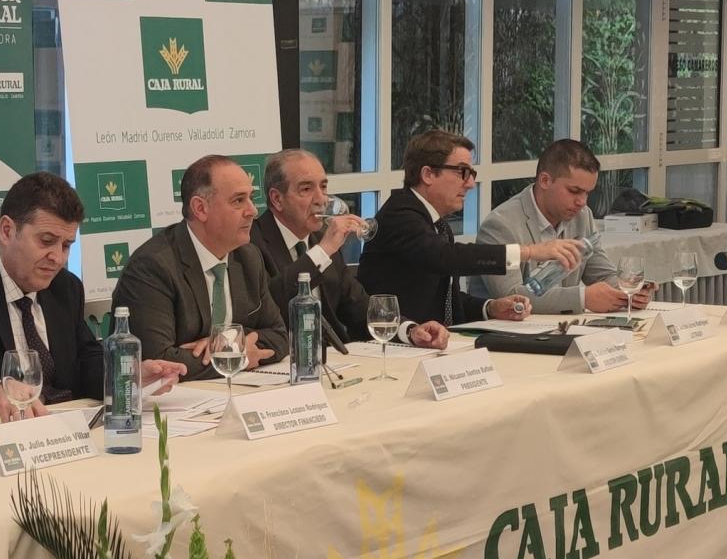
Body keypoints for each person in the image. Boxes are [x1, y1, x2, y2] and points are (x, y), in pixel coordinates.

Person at [0, 172, 185, 424]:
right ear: (7, 230)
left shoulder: (65, 287)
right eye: (46, 241)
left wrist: (126, 375)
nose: (58, 258)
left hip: (60, 433)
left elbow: (83, 362)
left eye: (66, 245)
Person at [357, 129, 587, 327]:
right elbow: (444, 257)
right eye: (462, 172)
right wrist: (529, 251)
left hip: (432, 345)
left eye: (471, 174)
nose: (470, 183)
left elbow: (446, 299)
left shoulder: (437, 223)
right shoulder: (400, 214)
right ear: (428, 174)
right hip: (392, 347)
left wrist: (490, 308)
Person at [111, 154, 289, 379]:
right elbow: (156, 361)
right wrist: (238, 357)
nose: (252, 210)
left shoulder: (248, 257)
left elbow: (279, 336)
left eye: (251, 198)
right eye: (238, 200)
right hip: (171, 404)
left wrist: (225, 344)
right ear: (200, 208)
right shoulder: (153, 266)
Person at [252, 148, 449, 349]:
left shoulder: (321, 242)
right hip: (284, 360)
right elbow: (272, 305)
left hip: (334, 359)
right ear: (277, 199)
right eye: (306, 189)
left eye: (324, 187)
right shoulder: (252, 243)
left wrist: (411, 331)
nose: (321, 200)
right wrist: (323, 250)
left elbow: (358, 306)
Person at [473, 139, 650, 314]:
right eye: (574, 191)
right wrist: (583, 298)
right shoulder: (500, 225)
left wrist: (630, 289)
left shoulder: (583, 216)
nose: (582, 202)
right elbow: (510, 296)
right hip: (505, 335)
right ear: (544, 181)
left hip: (560, 330)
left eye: (587, 192)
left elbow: (602, 274)